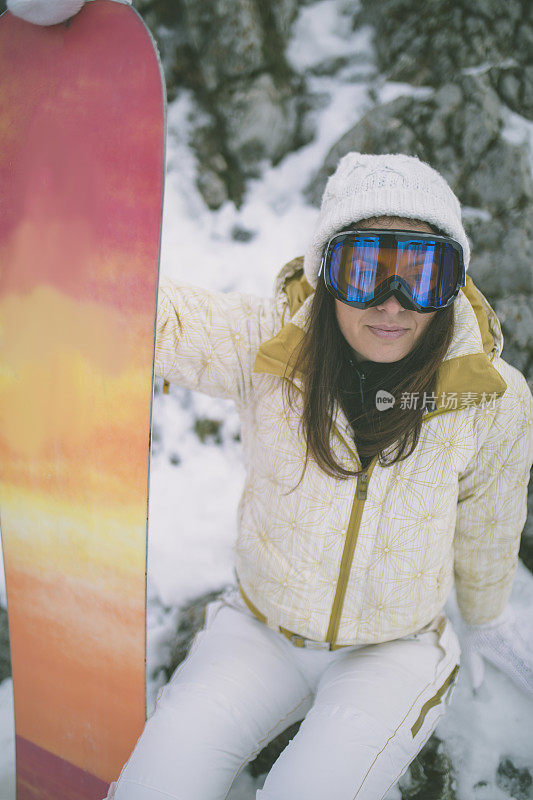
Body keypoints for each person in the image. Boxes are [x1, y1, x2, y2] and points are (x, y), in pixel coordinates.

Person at [103, 152, 533, 800]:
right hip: (257, 628)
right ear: (326, 272)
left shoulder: (490, 396)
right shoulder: (272, 348)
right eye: (364, 270)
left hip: (393, 648)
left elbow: (490, 518)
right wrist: (60, 256)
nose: (393, 304)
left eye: (423, 273)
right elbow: (160, 319)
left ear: (453, 283)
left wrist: (486, 615)